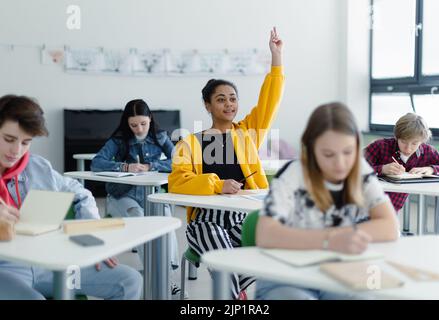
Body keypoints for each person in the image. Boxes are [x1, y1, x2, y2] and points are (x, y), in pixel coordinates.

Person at [169, 27, 284, 300]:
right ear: (207, 106)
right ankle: (235, 298)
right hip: (206, 221)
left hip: (241, 217)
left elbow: (270, 100)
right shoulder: (190, 143)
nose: (229, 104)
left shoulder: (248, 134)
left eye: (233, 99)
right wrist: (216, 184)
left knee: (274, 251)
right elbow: (177, 181)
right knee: (224, 256)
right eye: (221, 99)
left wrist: (277, 57)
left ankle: (233, 292)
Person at [0, 95, 142, 300]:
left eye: (26, 142)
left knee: (129, 280)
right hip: (7, 269)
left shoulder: (38, 167)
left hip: (50, 265)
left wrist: (91, 238)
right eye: (9, 139)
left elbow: (81, 194)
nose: (17, 151)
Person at [255, 102, 399, 300]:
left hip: (337, 272)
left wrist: (338, 239)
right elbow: (266, 234)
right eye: (328, 154)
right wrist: (330, 241)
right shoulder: (293, 173)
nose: (340, 164)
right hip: (285, 275)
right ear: (311, 150)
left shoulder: (360, 169)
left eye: (348, 152)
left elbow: (389, 227)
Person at [90, 99, 180, 296]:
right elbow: (96, 163)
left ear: (150, 119)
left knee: (167, 223)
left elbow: (180, 162)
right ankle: (157, 275)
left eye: (143, 124)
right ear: (127, 124)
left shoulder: (161, 136)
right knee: (140, 220)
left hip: (153, 196)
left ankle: (168, 274)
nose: (139, 129)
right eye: (133, 125)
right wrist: (124, 167)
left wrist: (152, 166)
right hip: (123, 195)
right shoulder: (118, 139)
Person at [364, 112, 439, 212]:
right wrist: (382, 169)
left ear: (422, 141)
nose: (408, 149)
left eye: (414, 143)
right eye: (403, 142)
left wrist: (431, 169)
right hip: (364, 202)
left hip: (392, 209)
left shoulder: (427, 151)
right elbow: (354, 169)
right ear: (396, 137)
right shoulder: (380, 146)